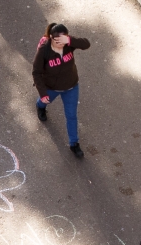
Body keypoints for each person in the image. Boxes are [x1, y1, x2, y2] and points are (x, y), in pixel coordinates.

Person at [32, 23, 93, 159]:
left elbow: (86, 44)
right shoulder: (44, 51)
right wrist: (43, 94)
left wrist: (70, 40)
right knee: (44, 101)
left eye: (63, 40)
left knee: (71, 115)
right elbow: (36, 72)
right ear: (51, 38)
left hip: (71, 87)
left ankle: (74, 144)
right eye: (56, 41)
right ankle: (40, 106)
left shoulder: (69, 44)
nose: (60, 44)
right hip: (51, 88)